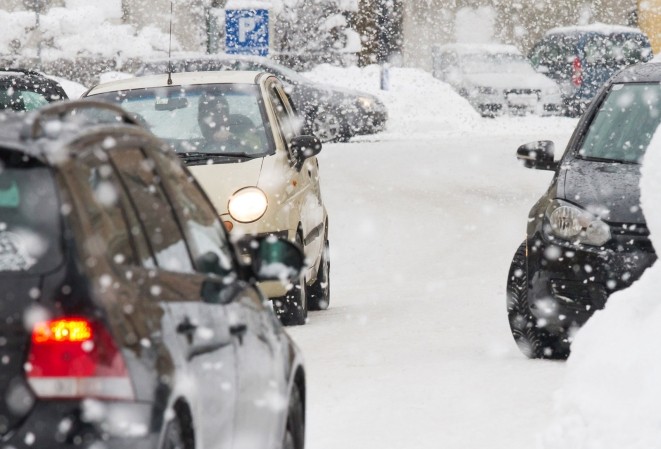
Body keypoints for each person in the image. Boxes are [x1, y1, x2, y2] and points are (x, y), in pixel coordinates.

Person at [196, 92, 261, 153]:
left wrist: (233, 139)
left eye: (218, 112)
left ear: (226, 114)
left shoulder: (243, 129)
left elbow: (257, 150)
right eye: (204, 114)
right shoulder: (194, 150)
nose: (209, 119)